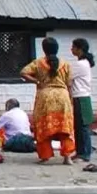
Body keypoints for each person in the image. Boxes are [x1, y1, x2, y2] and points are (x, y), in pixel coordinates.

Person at [20, 37, 75, 165]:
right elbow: (70, 84)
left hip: (45, 97)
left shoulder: (38, 63)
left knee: (43, 127)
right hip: (62, 96)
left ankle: (45, 156)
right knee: (65, 128)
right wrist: (70, 100)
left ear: (44, 50)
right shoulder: (65, 64)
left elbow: (23, 72)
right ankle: (67, 157)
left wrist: (36, 81)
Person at [69, 38, 95, 162]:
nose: (71, 49)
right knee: (78, 127)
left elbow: (67, 76)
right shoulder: (83, 63)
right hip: (81, 96)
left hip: (81, 97)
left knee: (82, 127)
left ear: (80, 49)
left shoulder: (81, 64)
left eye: (73, 47)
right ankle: (80, 151)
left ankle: (85, 153)